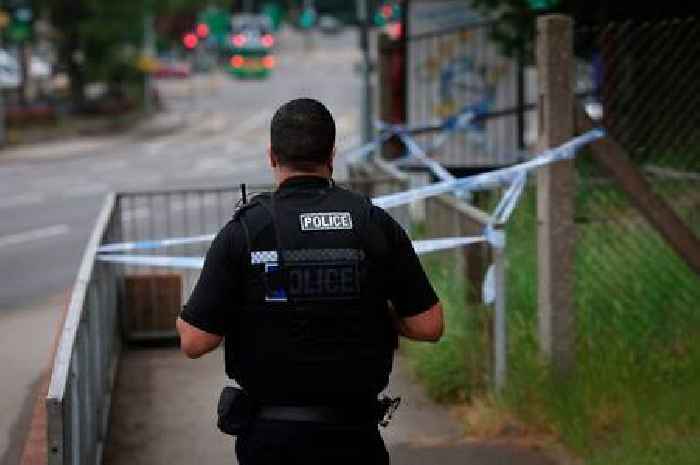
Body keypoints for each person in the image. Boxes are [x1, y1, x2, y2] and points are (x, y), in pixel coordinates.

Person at [176, 98, 444, 465]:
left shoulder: (247, 231)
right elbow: (428, 325)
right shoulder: (372, 223)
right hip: (355, 439)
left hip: (271, 443)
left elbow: (194, 340)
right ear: (331, 154)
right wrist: (375, 313)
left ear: (272, 156)